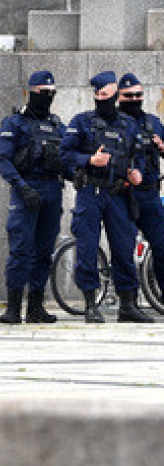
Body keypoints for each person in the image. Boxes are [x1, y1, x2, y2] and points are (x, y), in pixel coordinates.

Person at [60, 71, 153, 324]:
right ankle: (90, 304)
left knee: (124, 248)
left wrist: (137, 173)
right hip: (91, 192)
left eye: (105, 95)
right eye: (97, 95)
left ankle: (127, 305)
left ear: (114, 96)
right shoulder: (81, 121)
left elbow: (139, 155)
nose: (100, 99)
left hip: (119, 194)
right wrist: (89, 160)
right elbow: (64, 154)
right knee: (88, 247)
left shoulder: (128, 124)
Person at [0, 71, 67, 325]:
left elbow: (68, 159)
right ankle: (13, 307)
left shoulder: (58, 125)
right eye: (43, 93)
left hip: (52, 191)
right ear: (31, 92)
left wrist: (73, 168)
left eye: (51, 93)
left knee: (44, 252)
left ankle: (36, 306)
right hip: (26, 190)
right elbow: (2, 159)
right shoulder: (14, 123)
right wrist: (22, 187)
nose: (47, 98)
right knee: (21, 250)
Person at [118, 72, 164, 311]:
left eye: (138, 94)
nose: (134, 99)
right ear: (118, 97)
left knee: (161, 245)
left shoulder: (153, 123)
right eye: (128, 96)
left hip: (149, 196)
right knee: (124, 249)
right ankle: (129, 303)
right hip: (123, 196)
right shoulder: (112, 122)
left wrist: (162, 147)